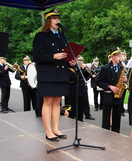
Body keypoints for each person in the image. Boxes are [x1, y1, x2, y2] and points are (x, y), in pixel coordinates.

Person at [32, 8, 76, 141]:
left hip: (61, 73)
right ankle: (48, 131)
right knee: (48, 102)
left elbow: (65, 54)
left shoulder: (62, 36)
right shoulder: (41, 36)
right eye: (55, 18)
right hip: (48, 74)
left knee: (57, 102)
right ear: (49, 20)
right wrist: (53, 56)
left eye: (59, 18)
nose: (58, 20)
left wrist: (70, 61)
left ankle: (56, 128)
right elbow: (37, 57)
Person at [96, 47, 126, 133]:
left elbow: (122, 79)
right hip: (108, 95)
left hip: (118, 95)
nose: (120, 58)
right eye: (118, 56)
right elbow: (98, 80)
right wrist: (109, 86)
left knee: (117, 117)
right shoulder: (106, 68)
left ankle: (116, 133)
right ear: (113, 56)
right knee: (106, 117)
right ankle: (105, 134)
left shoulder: (121, 67)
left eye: (120, 56)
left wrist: (124, 80)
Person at [67, 55, 92, 122]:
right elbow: (72, 77)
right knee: (73, 109)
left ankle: (80, 119)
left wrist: (86, 70)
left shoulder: (78, 67)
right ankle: (72, 120)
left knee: (81, 108)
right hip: (74, 91)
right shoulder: (70, 67)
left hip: (81, 90)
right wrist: (80, 69)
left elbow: (85, 77)